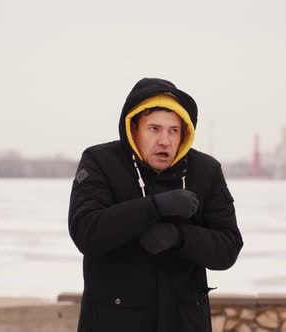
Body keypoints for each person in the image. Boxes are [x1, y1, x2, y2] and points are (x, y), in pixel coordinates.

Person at [68, 78, 243, 332]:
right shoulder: (100, 162)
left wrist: (180, 236)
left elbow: (228, 248)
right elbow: (87, 232)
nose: (165, 140)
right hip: (114, 322)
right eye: (154, 129)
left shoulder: (205, 171)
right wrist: (155, 207)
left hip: (185, 323)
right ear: (134, 128)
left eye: (174, 130)